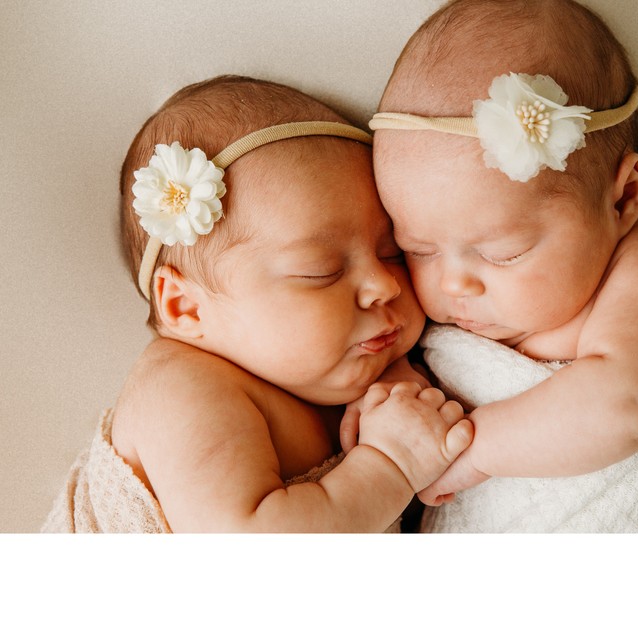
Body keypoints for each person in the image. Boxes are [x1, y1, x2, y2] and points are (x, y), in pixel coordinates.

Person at [365, 0, 638, 532]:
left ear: (623, 200)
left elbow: (627, 403)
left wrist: (477, 448)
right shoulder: (437, 304)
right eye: (417, 248)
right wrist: (396, 395)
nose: (452, 283)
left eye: (503, 253)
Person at [42, 75, 473, 533]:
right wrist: (392, 463)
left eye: (393, 252)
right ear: (186, 307)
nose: (384, 284)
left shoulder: (322, 375)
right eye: (321, 271)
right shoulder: (181, 389)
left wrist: (395, 380)